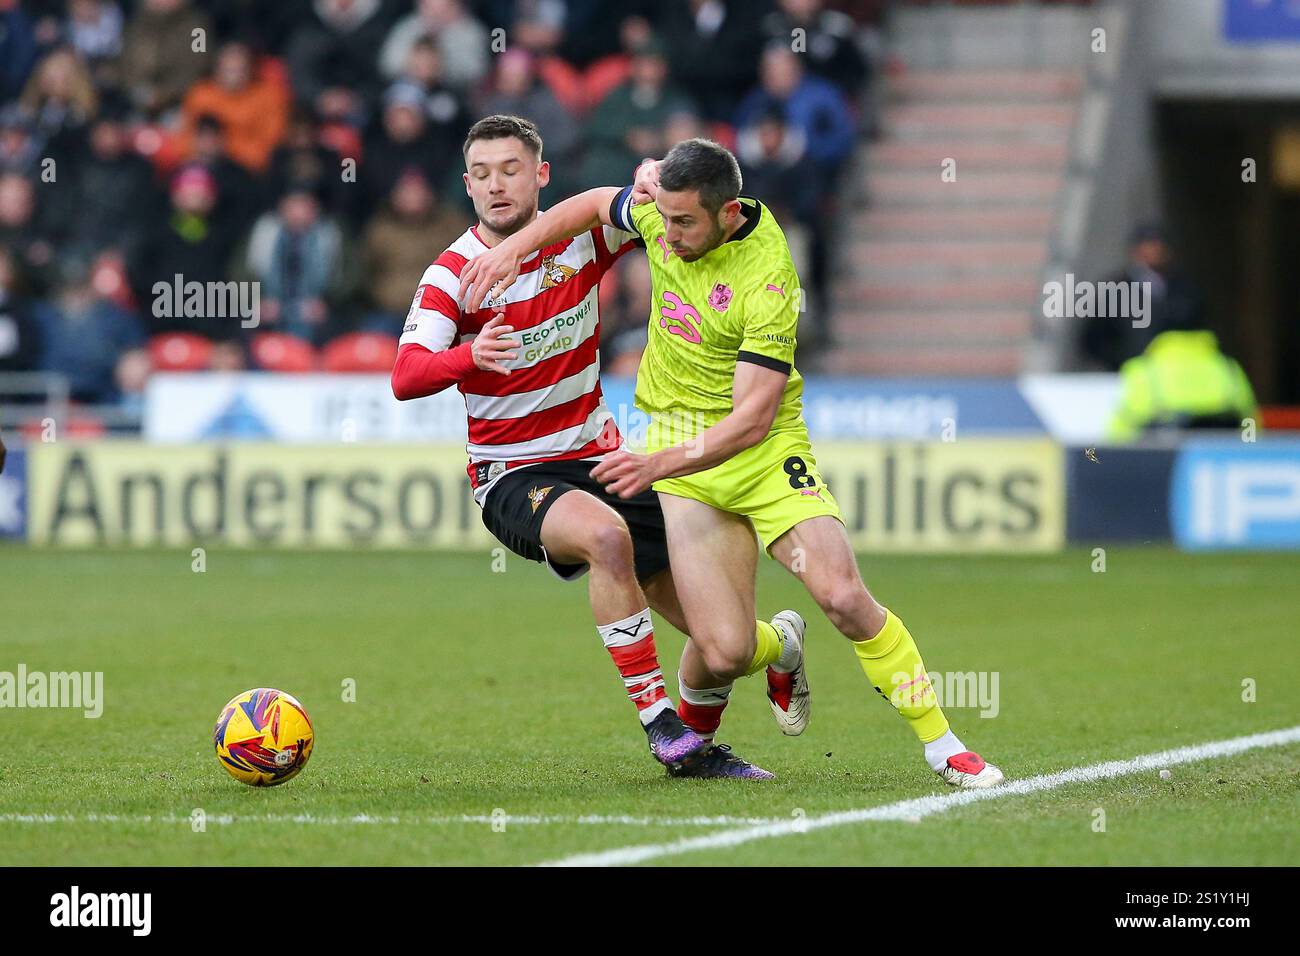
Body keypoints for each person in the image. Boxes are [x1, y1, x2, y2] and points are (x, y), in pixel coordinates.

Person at [461, 139, 1005, 788]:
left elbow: (749, 419)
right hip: (685, 461)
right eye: (665, 218)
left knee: (841, 595)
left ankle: (943, 745)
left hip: (762, 451)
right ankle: (725, 715)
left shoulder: (768, 279)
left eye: (686, 223)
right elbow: (585, 207)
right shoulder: (667, 213)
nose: (669, 236)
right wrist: (512, 249)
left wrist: (655, 463)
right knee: (723, 650)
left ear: (727, 213)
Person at [390, 115, 779, 778]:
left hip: (601, 458)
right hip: (513, 474)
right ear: (466, 185)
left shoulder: (580, 241)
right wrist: (467, 355)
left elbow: (650, 210)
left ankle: (779, 652)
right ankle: (663, 725)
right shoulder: (452, 274)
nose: (496, 185)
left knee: (726, 647)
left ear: (541, 175)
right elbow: (405, 375)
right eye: (481, 174)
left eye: (510, 169)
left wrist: (649, 176)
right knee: (604, 539)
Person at [1106, 322, 1258, 443]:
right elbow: (1252, 426)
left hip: (1160, 474)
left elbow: (1119, 438)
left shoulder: (1143, 371)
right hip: (1220, 469)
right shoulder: (1229, 368)